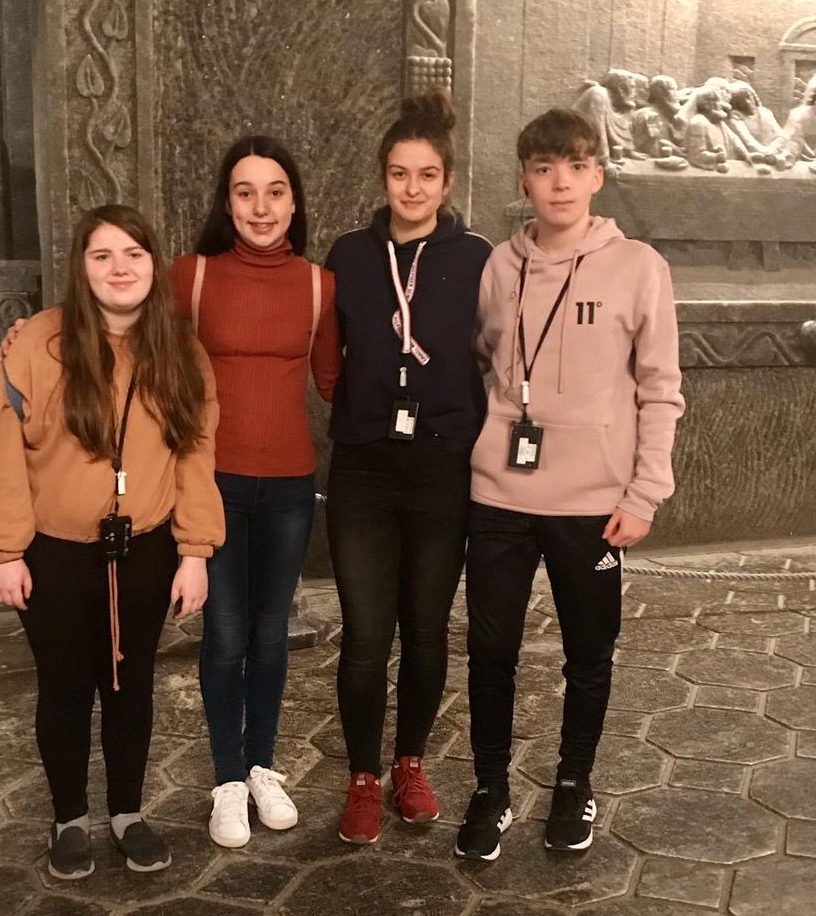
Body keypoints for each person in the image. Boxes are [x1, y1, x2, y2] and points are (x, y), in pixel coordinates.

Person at [455, 109, 684, 861]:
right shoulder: (498, 265)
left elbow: (661, 389)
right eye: (545, 168)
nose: (560, 182)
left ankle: (573, 783)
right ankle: (490, 789)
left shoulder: (639, 267)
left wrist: (644, 493)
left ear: (598, 177)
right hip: (499, 495)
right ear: (524, 179)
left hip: (594, 504)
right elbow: (483, 359)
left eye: (576, 167)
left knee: (589, 654)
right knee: (490, 652)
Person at [0, 204, 225, 879]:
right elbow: (0, 447)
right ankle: (69, 819)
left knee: (131, 686)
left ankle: (127, 813)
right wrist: (3, 550)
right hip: (54, 555)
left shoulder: (181, 351)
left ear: (153, 265)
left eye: (134, 254)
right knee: (63, 689)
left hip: (146, 551)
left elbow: (196, 454)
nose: (120, 268)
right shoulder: (38, 343)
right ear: (81, 267)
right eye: (102, 255)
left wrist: (195, 552)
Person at [324, 89, 492, 844]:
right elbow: (326, 351)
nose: (412, 189)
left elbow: (501, 354)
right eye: (399, 174)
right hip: (363, 469)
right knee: (365, 635)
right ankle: (363, 776)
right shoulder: (350, 256)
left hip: (441, 469)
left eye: (427, 175)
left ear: (447, 181)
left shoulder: (478, 258)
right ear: (382, 177)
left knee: (426, 630)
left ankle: (410, 764)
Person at [169, 136, 342, 849]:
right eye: (245, 192)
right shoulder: (192, 277)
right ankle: (227, 781)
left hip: (292, 487)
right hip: (214, 485)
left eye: (275, 192)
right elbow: (132, 347)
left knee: (271, 635)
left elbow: (337, 382)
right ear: (227, 201)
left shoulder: (319, 286)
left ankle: (262, 767)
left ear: (294, 202)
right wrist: (35, 338)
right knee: (226, 634)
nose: (261, 207)